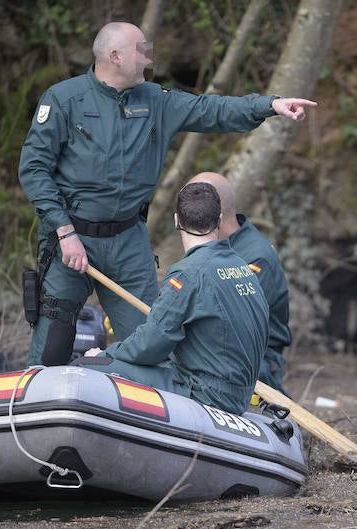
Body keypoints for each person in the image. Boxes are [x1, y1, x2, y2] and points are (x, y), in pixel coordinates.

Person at [19, 21, 314, 367]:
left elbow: (212, 110)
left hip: (128, 243)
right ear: (114, 56)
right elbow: (33, 170)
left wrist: (270, 105)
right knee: (52, 344)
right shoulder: (64, 99)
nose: (148, 59)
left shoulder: (156, 101)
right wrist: (64, 231)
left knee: (149, 341)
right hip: (70, 239)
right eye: (141, 51)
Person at [79, 182, 268, 416]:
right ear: (219, 219)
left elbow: (150, 345)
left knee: (86, 367)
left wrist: (105, 355)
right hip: (239, 393)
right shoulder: (242, 267)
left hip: (206, 393)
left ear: (177, 220)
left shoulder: (187, 275)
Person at [188, 172, 292, 392]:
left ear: (215, 211)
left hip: (253, 361)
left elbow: (234, 329)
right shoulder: (206, 242)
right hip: (214, 350)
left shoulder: (256, 258)